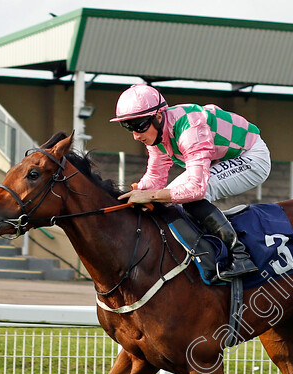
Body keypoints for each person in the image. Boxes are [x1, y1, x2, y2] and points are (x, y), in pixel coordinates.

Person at [112, 84, 271, 279]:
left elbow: (196, 189)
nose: (136, 135)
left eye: (139, 126)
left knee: (189, 196)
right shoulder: (157, 136)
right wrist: (132, 196)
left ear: (158, 117)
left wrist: (150, 195)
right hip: (224, 158)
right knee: (169, 199)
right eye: (128, 127)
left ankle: (240, 255)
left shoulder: (190, 127)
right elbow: (154, 178)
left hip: (251, 157)